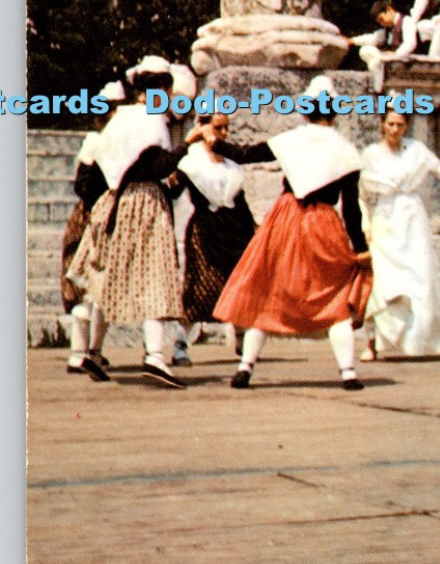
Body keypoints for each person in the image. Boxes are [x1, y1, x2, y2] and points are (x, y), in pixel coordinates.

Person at [210, 75, 373, 391]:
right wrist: (361, 248)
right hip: (324, 222)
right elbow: (351, 209)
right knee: (335, 294)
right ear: (334, 112)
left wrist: (214, 142)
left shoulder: (292, 139)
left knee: (270, 291)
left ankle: (245, 368)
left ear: (307, 111)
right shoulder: (346, 150)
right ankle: (348, 372)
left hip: (286, 217)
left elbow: (245, 155)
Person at [65, 56, 190, 388]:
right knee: (153, 275)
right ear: (156, 90)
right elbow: (158, 164)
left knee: (111, 279)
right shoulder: (152, 120)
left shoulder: (119, 120)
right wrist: (187, 147)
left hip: (115, 201)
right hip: (144, 202)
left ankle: (93, 350)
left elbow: (96, 169)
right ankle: (154, 357)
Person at [358, 108, 440, 363]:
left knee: (423, 277)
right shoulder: (370, 155)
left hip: (412, 218)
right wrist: (366, 223)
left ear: (406, 126)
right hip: (385, 220)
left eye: (400, 125)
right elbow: (362, 195)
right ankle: (374, 342)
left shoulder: (417, 151)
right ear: (382, 124)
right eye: (390, 124)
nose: (394, 129)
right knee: (384, 280)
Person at [173, 112, 256, 350]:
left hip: (235, 230)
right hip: (205, 231)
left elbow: (241, 201)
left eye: (226, 128)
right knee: (200, 291)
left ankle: (241, 343)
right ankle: (180, 345)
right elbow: (173, 192)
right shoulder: (190, 163)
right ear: (202, 128)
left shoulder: (231, 164)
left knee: (239, 288)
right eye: (218, 128)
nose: (224, 133)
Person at [61, 80, 123, 380]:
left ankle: (89, 352)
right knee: (87, 286)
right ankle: (81, 352)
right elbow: (83, 185)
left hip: (105, 217)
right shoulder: (98, 142)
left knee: (97, 289)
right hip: (95, 219)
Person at [351, 0, 418, 79]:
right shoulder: (389, 29)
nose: (382, 24)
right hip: (391, 63)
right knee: (365, 50)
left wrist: (395, 55)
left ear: (389, 10)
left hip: (408, 64)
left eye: (382, 19)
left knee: (374, 63)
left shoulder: (406, 21)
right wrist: (351, 41)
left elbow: (410, 43)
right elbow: (373, 38)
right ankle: (380, 74)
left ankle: (380, 77)